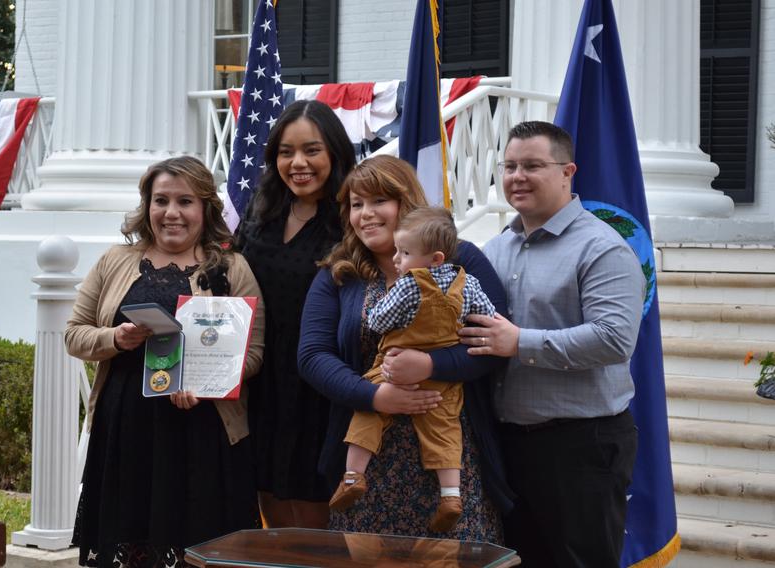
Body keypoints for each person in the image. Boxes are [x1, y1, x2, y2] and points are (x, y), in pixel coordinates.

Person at [298, 155, 514, 540]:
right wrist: (375, 395)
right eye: (356, 204)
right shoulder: (339, 272)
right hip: (366, 464)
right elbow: (313, 356)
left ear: (406, 201)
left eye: (378, 201)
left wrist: (430, 365)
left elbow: (494, 341)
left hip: (449, 457)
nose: (365, 214)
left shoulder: (459, 261)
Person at [66, 156, 266, 567]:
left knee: (199, 541)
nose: (171, 213)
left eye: (185, 202)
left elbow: (255, 353)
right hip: (127, 429)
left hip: (204, 430)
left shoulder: (232, 269)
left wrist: (206, 385)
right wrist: (115, 338)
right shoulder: (114, 261)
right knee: (129, 538)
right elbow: (74, 333)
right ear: (147, 206)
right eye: (161, 201)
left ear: (205, 209)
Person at [460, 121, 643, 567]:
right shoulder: (497, 248)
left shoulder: (602, 249)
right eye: (509, 166)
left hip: (580, 447)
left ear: (568, 172)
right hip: (508, 444)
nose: (517, 176)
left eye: (533, 165)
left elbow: (614, 338)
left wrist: (519, 342)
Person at [329, 206, 496, 536]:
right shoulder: (468, 282)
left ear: (434, 258)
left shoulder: (408, 285)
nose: (397, 260)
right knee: (446, 431)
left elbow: (378, 320)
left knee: (367, 417)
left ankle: (352, 476)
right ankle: (450, 496)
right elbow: (488, 318)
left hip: (391, 370)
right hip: (443, 387)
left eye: (403, 253)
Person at [237, 99, 356, 528]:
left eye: (311, 150)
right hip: (260, 382)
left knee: (314, 522)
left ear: (335, 154)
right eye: (286, 152)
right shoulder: (261, 211)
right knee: (268, 505)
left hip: (319, 386)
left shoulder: (352, 221)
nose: (298, 163)